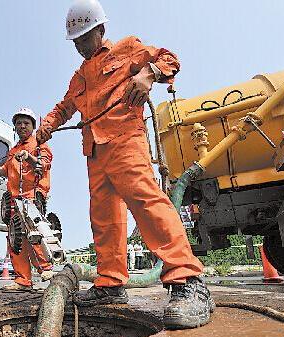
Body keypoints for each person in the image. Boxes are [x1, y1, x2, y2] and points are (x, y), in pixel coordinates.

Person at [36, 0, 214, 329]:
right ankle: (111, 285)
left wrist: (148, 74)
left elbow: (169, 59)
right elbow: (64, 108)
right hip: (95, 152)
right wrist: (46, 125)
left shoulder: (127, 49)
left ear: (100, 31)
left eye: (83, 38)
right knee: (104, 220)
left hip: (125, 140)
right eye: (74, 41)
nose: (78, 46)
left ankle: (187, 281)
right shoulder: (79, 78)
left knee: (147, 203)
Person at [0, 107, 54, 291]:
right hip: (13, 200)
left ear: (33, 126)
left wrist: (29, 157)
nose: (22, 126)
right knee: (16, 238)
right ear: (15, 127)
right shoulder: (13, 150)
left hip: (32, 198)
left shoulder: (39, 144)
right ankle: (23, 280)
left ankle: (47, 270)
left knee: (36, 234)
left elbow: (44, 163)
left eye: (26, 123)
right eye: (19, 123)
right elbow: (6, 169)